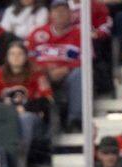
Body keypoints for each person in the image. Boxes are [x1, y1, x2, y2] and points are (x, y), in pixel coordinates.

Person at [0, 40, 54, 164]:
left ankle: (20, 159)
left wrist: (26, 108)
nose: (16, 57)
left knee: (25, 118)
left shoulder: (36, 73)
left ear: (26, 56)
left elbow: (47, 100)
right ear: (6, 57)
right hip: (6, 117)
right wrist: (10, 110)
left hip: (32, 119)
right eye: (12, 54)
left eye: (19, 54)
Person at [27, 0, 87, 131]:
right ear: (50, 14)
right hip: (41, 75)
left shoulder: (79, 33)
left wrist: (66, 69)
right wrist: (43, 71)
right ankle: (41, 122)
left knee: (80, 74)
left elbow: (87, 59)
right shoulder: (37, 33)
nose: (60, 14)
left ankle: (75, 121)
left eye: (63, 10)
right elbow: (28, 59)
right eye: (56, 10)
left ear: (71, 14)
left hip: (68, 76)